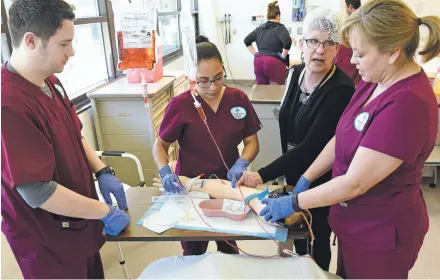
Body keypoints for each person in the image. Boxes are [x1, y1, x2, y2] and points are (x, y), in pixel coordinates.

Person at [258, 0, 440, 278]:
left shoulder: (408, 104)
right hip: (354, 224)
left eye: (359, 53)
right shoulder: (374, 80)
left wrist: (294, 202)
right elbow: (341, 135)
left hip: (380, 234)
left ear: (392, 52)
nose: (352, 61)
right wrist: (307, 176)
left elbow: (355, 182)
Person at [1, 1, 130, 278]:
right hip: (48, 243)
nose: (71, 52)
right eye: (64, 44)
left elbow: (74, 133)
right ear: (31, 41)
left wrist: (102, 170)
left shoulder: (51, 81)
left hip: (79, 225)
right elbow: (39, 192)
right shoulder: (9, 105)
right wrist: (104, 211)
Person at [238, 7, 355, 271]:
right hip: (292, 174)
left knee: (318, 237)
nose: (320, 50)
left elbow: (313, 146)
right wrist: (284, 176)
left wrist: (263, 174)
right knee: (297, 235)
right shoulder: (294, 74)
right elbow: (287, 127)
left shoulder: (341, 88)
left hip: (320, 177)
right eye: (313, 41)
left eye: (329, 43)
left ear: (338, 49)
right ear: (301, 44)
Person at [152, 36, 262, 256]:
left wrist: (242, 162)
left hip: (228, 186)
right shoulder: (181, 105)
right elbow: (160, 146)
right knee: (193, 253)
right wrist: (165, 171)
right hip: (192, 187)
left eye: (218, 78)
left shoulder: (238, 99)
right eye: (203, 80)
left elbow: (252, 143)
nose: (212, 87)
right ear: (192, 76)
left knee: (230, 250)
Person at [244, 1, 292, 85]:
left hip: (258, 61)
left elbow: (247, 40)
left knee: (262, 91)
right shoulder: (280, 28)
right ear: (278, 16)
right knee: (276, 92)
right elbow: (287, 42)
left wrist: (256, 54)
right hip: (274, 62)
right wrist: (282, 57)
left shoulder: (260, 28)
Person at [335, 0, 361, 85]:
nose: (345, 9)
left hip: (347, 59)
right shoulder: (365, 17)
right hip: (352, 64)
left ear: (350, 6)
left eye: (346, 6)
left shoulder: (354, 20)